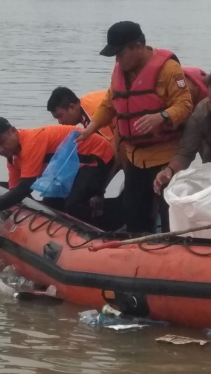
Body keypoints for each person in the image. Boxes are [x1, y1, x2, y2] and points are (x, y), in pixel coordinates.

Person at [76, 21, 193, 233]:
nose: (117, 60)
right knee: (133, 211)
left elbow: (184, 104)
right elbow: (109, 103)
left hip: (164, 157)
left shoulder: (168, 69)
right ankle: (138, 256)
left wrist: (162, 116)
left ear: (137, 46)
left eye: (120, 54)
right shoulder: (120, 70)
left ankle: (171, 251)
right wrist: (90, 128)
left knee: (168, 212)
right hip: (134, 157)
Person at [0, 117, 114, 229]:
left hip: (98, 157)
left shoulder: (31, 142)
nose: (0, 149)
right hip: (71, 166)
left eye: (2, 141)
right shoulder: (12, 158)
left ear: (13, 131)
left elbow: (24, 187)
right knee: (50, 206)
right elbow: (14, 190)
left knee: (73, 204)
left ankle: (99, 233)